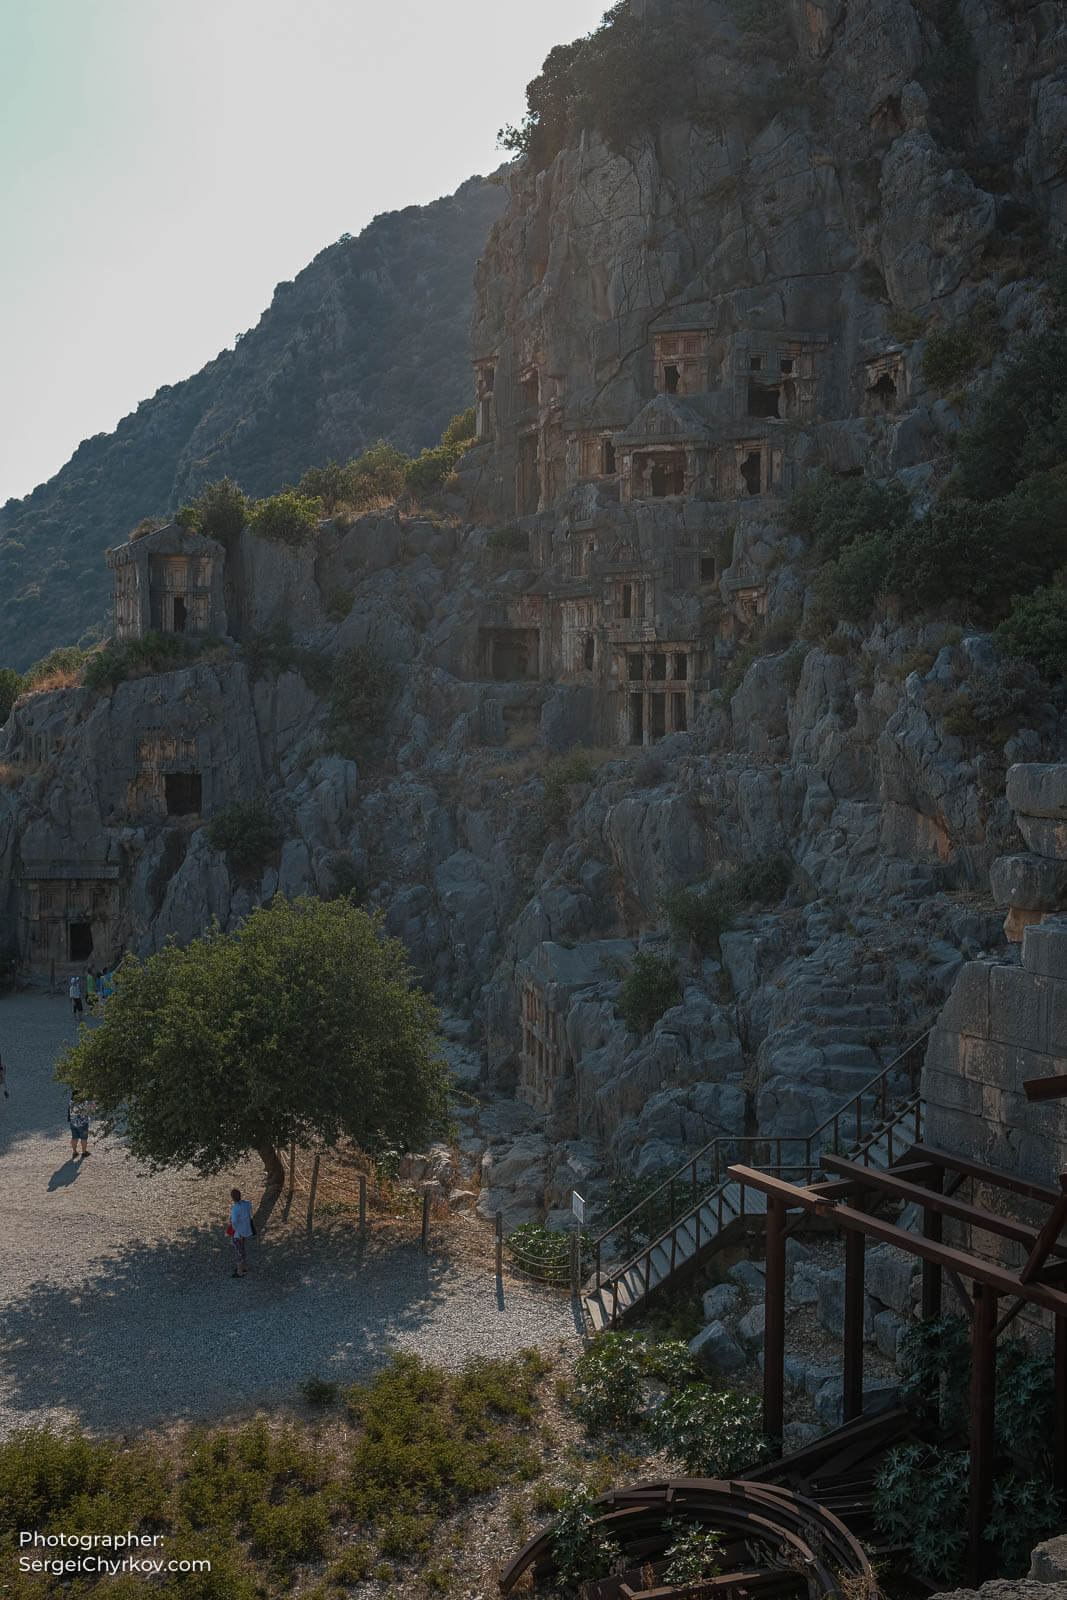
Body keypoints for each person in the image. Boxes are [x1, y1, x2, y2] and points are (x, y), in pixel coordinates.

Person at [228, 1187, 254, 1278]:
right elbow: (250, 1205)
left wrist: (235, 1228)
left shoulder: (235, 1208)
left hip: (238, 1233)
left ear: (232, 1198)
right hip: (245, 1230)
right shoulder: (246, 1204)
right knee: (242, 1249)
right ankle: (244, 1267)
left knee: (239, 1252)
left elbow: (234, 1221)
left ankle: (240, 1272)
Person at [68, 1093, 96, 1159]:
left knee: (74, 1137)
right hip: (83, 1124)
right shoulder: (84, 1103)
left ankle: (74, 1152)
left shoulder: (71, 1102)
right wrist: (93, 1100)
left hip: (73, 1123)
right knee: (84, 1138)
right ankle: (84, 1152)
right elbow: (94, 1108)